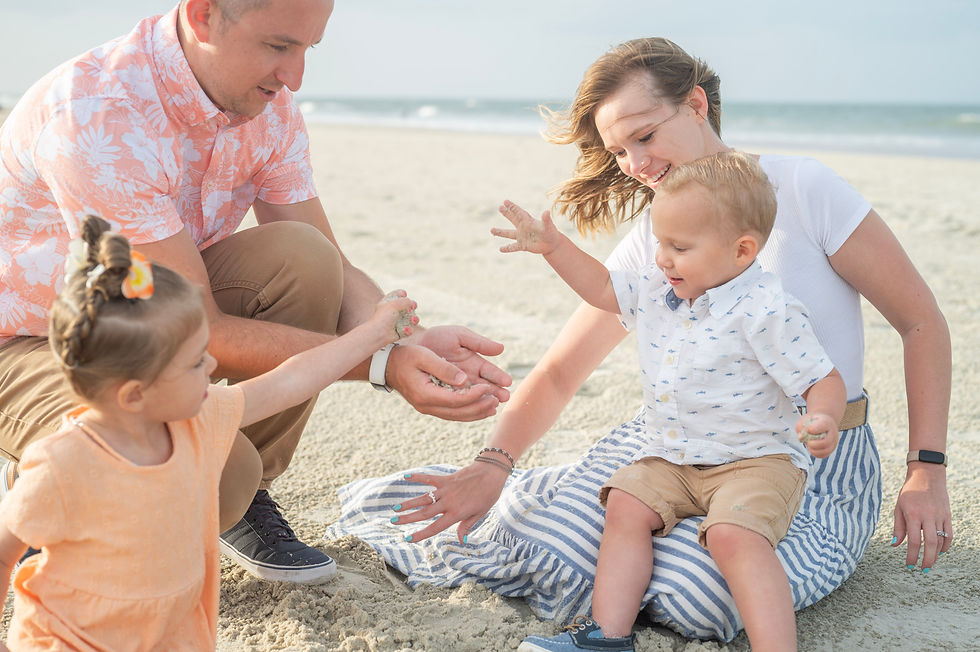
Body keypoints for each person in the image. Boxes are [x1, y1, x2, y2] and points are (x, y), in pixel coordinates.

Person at [325, 37, 952, 642]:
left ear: (698, 104)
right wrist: (493, 464)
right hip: (675, 444)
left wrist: (926, 470)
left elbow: (921, 322)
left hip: (804, 456)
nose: (637, 166)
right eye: (620, 151)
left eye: (645, 136)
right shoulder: (659, 244)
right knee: (545, 547)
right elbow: (561, 373)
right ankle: (552, 511)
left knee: (699, 596)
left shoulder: (803, 190)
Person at [0, 0, 511, 584]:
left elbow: (332, 268)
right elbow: (205, 330)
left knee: (304, 257)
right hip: (38, 342)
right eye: (277, 46)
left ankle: (241, 496)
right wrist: (383, 364)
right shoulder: (96, 115)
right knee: (207, 473)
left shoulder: (267, 102)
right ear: (202, 17)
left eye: (306, 50)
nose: (293, 78)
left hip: (163, 321)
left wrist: (410, 337)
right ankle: (47, 474)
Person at [0, 215, 417, 650]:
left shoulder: (198, 421)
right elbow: (4, 552)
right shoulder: (62, 464)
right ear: (135, 394)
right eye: (196, 361)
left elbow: (291, 379)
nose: (214, 367)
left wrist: (372, 336)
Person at [495, 151, 844, 651]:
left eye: (679, 247)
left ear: (743, 251)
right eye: (660, 242)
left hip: (755, 462)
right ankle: (608, 636)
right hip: (673, 456)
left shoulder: (768, 309)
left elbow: (821, 377)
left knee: (733, 537)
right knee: (625, 502)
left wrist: (824, 415)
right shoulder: (660, 288)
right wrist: (553, 247)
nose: (662, 258)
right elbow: (601, 288)